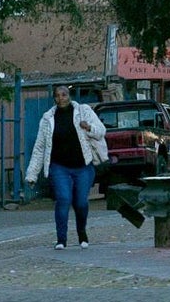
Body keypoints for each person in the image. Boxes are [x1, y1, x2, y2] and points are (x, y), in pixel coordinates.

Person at [25, 85, 109, 250]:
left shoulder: (83, 111)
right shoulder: (48, 118)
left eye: (64, 95)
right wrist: (32, 174)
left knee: (81, 202)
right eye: (57, 96)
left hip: (82, 165)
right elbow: (40, 147)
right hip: (59, 166)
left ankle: (82, 232)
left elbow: (101, 131)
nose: (61, 98)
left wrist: (89, 127)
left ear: (69, 96)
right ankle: (61, 239)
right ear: (54, 98)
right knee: (63, 199)